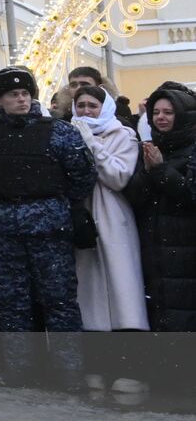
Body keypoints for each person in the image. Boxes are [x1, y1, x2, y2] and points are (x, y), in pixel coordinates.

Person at [0, 67, 96, 389]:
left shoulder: (58, 131)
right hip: (3, 230)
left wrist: (51, 203)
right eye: (13, 95)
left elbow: (82, 174)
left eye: (25, 93)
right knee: (12, 303)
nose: (21, 99)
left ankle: (69, 372)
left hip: (49, 228)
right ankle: (20, 368)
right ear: (0, 100)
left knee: (59, 301)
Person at [70, 86, 147, 334]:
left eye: (93, 106)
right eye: (81, 106)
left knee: (121, 289)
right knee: (89, 292)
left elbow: (118, 176)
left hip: (113, 215)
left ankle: (125, 351)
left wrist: (92, 145)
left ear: (105, 108)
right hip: (81, 214)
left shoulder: (123, 135)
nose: (86, 111)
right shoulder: (67, 133)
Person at [127, 83, 196, 335]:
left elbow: (190, 196)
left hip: (187, 248)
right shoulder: (148, 147)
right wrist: (148, 172)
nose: (161, 118)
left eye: (168, 112)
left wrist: (160, 171)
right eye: (156, 112)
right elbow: (134, 196)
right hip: (155, 247)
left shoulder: (192, 150)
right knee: (162, 311)